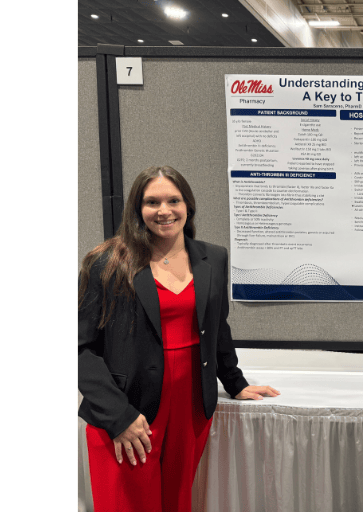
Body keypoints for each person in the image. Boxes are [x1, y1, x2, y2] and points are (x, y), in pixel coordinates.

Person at [78, 166, 280, 512]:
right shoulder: (108, 263)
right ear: (137, 210)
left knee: (176, 503)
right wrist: (118, 416)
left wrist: (235, 382)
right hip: (129, 408)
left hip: (189, 409)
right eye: (152, 202)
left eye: (174, 200)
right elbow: (78, 349)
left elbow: (217, 327)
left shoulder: (212, 257)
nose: (164, 210)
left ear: (188, 205)